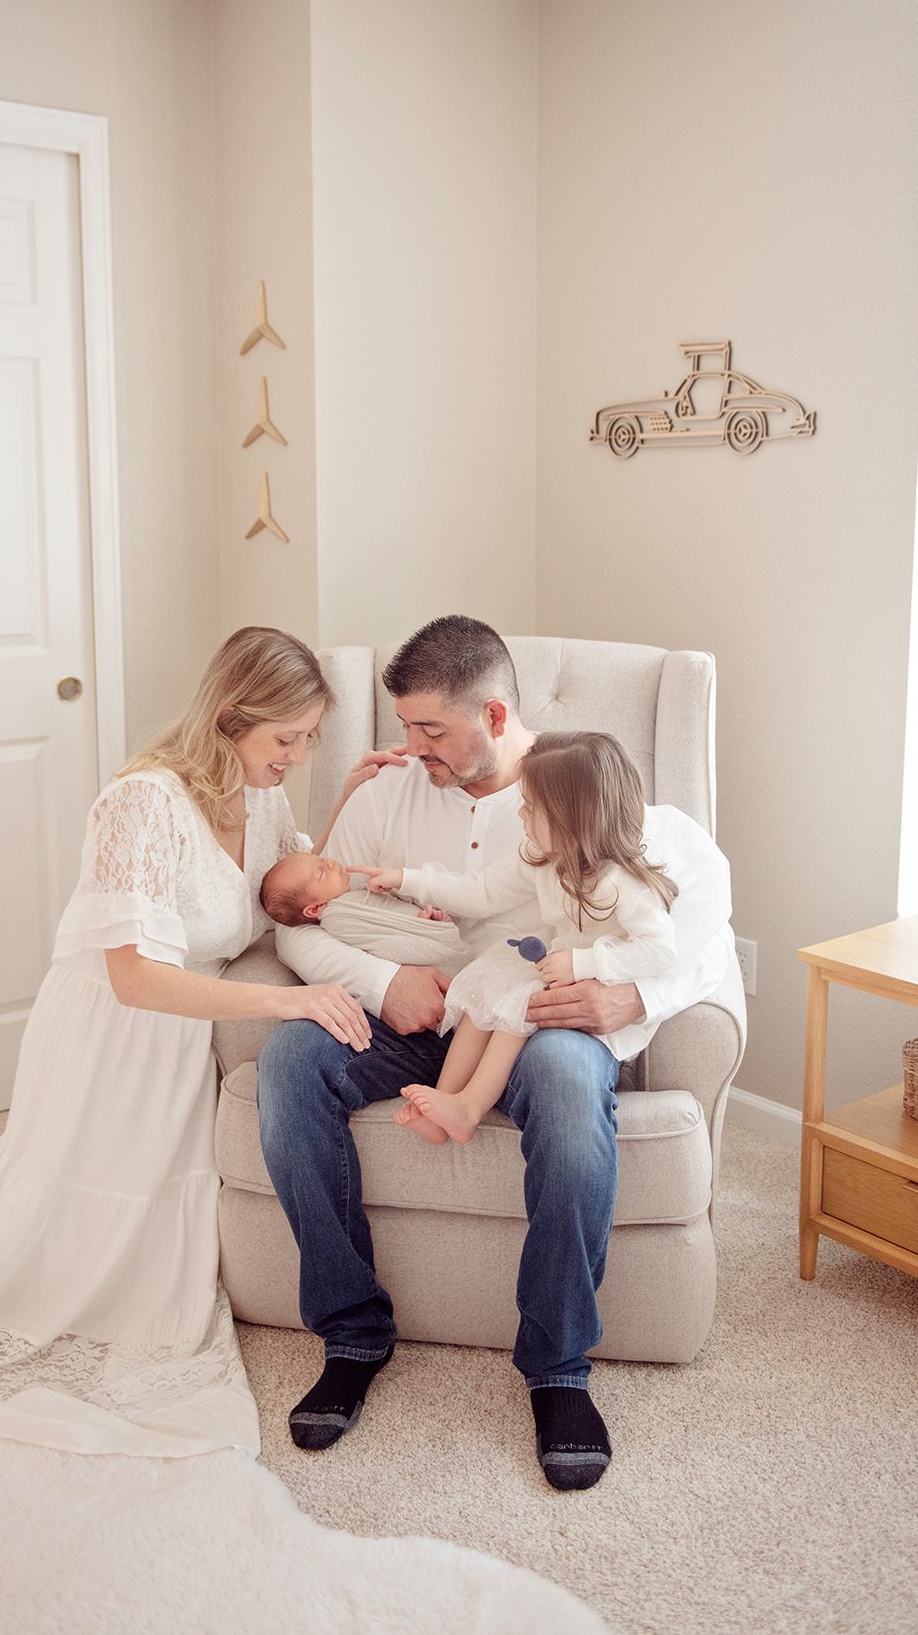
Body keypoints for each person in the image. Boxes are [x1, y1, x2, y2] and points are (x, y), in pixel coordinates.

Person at [0, 626, 374, 1458]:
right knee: (53, 1253)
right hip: (118, 1035)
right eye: (285, 739)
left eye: (307, 741)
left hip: (185, 1040)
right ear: (230, 718)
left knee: (151, 1258)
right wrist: (289, 1008)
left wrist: (348, 803)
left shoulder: (264, 800)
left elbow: (291, 891)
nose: (296, 757)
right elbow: (135, 980)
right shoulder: (142, 804)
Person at [258, 615, 735, 1492]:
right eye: (406, 725)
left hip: (541, 1029)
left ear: (498, 714)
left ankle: (557, 1367)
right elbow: (303, 924)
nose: (411, 746)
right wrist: (382, 976)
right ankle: (352, 1330)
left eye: (431, 728)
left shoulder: (580, 793)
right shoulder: (385, 795)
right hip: (415, 1025)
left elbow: (694, 912)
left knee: (562, 1073)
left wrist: (630, 995)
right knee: (291, 1058)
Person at [364, 730, 676, 1145]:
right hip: (557, 970)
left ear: (570, 816)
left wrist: (582, 964)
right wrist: (408, 878)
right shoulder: (544, 860)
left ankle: (469, 1107)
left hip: (593, 992)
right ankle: (444, 1101)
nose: (520, 815)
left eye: (530, 807)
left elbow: (660, 951)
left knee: (517, 1006)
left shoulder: (623, 884)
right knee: (485, 990)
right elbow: (481, 892)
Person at [259, 849, 467, 970]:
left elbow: (394, 907)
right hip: (425, 944)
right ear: (314, 909)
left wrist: (400, 891)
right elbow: (384, 943)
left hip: (429, 926)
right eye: (321, 873)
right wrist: (420, 924)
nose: (330, 863)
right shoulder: (338, 917)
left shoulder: (351, 895)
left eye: (321, 860)